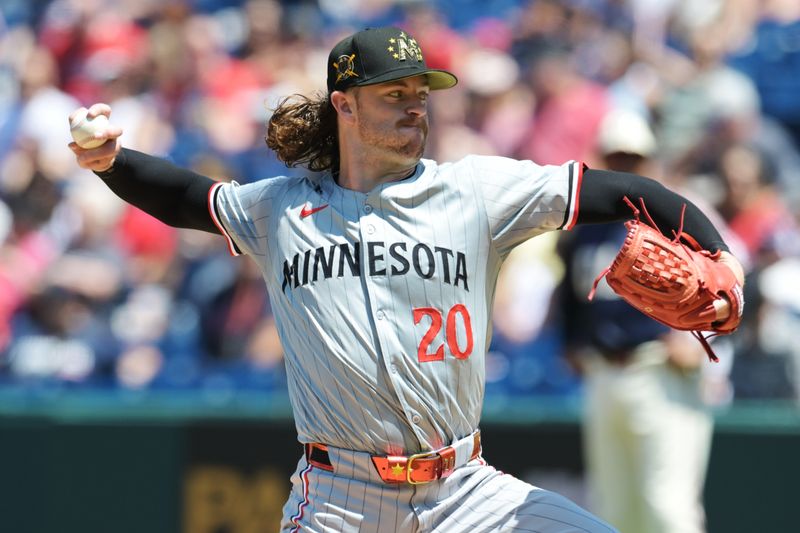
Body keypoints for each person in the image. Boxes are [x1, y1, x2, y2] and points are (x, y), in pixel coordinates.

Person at [68, 26, 743, 533]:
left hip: (467, 491)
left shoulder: (478, 190)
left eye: (420, 94)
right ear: (345, 104)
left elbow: (621, 190)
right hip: (338, 499)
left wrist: (720, 254)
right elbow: (187, 196)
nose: (415, 106)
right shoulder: (281, 208)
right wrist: (110, 160)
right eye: (394, 94)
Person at [557, 109, 720, 533]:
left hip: (660, 372)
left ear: (650, 161)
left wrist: (705, 343)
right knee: (611, 510)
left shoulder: (679, 219)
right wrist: (571, 340)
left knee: (667, 507)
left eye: (634, 158)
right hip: (604, 374)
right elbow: (570, 293)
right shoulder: (587, 228)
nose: (625, 167)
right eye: (617, 156)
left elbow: (733, 287)